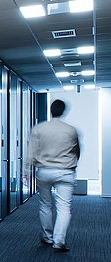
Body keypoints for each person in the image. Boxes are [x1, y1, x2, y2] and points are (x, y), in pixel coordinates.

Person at [28, 99, 80, 252]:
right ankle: (59, 241)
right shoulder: (70, 130)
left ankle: (47, 237)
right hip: (65, 171)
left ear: (50, 110)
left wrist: (26, 171)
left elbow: (31, 151)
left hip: (44, 171)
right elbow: (77, 151)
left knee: (45, 205)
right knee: (64, 207)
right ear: (63, 111)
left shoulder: (39, 128)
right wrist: (73, 164)